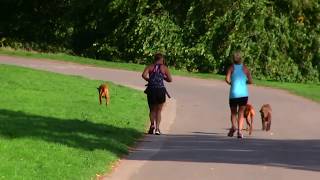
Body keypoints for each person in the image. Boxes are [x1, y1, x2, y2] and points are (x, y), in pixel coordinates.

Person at [142, 53, 172, 135]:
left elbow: (143, 75)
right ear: (162, 59)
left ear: (155, 59)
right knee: (159, 110)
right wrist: (163, 77)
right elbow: (170, 79)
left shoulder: (150, 67)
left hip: (151, 90)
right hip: (160, 90)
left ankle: (152, 125)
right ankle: (157, 129)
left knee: (152, 110)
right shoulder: (164, 68)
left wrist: (149, 80)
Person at [225, 51, 253, 138]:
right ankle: (240, 132)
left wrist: (231, 83)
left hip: (233, 94)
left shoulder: (231, 68)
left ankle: (233, 126)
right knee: (241, 113)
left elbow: (227, 79)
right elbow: (251, 81)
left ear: (233, 59)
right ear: (241, 59)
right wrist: (245, 82)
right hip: (243, 94)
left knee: (233, 113)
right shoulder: (245, 68)